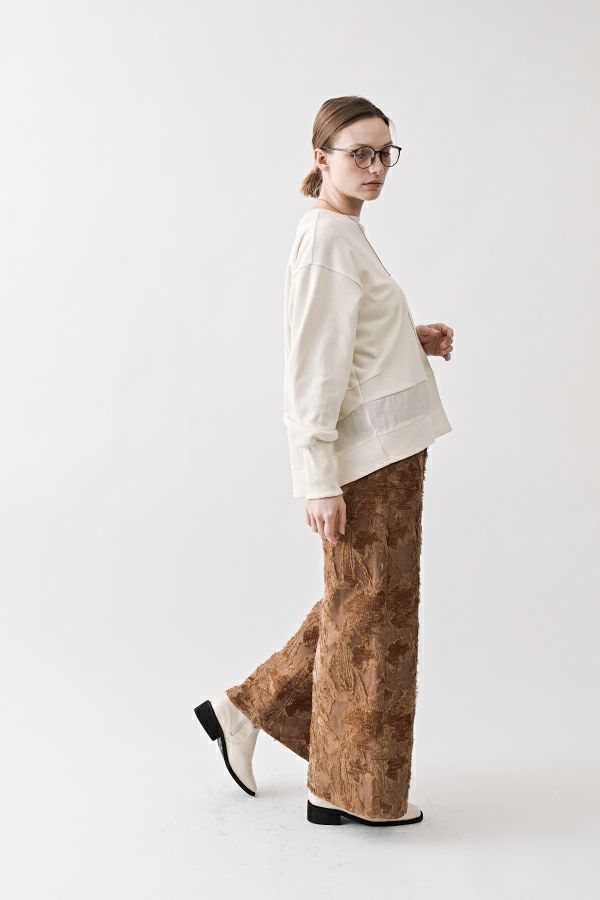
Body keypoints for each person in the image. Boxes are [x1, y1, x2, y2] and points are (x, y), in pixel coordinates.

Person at [194, 95, 454, 827]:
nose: (375, 167)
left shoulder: (344, 233)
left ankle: (246, 712)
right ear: (321, 159)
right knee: (372, 612)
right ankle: (350, 788)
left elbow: (354, 335)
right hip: (366, 464)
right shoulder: (325, 242)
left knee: (364, 601)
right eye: (359, 154)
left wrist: (410, 338)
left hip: (390, 456)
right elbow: (311, 368)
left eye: (384, 154)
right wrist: (317, 478)